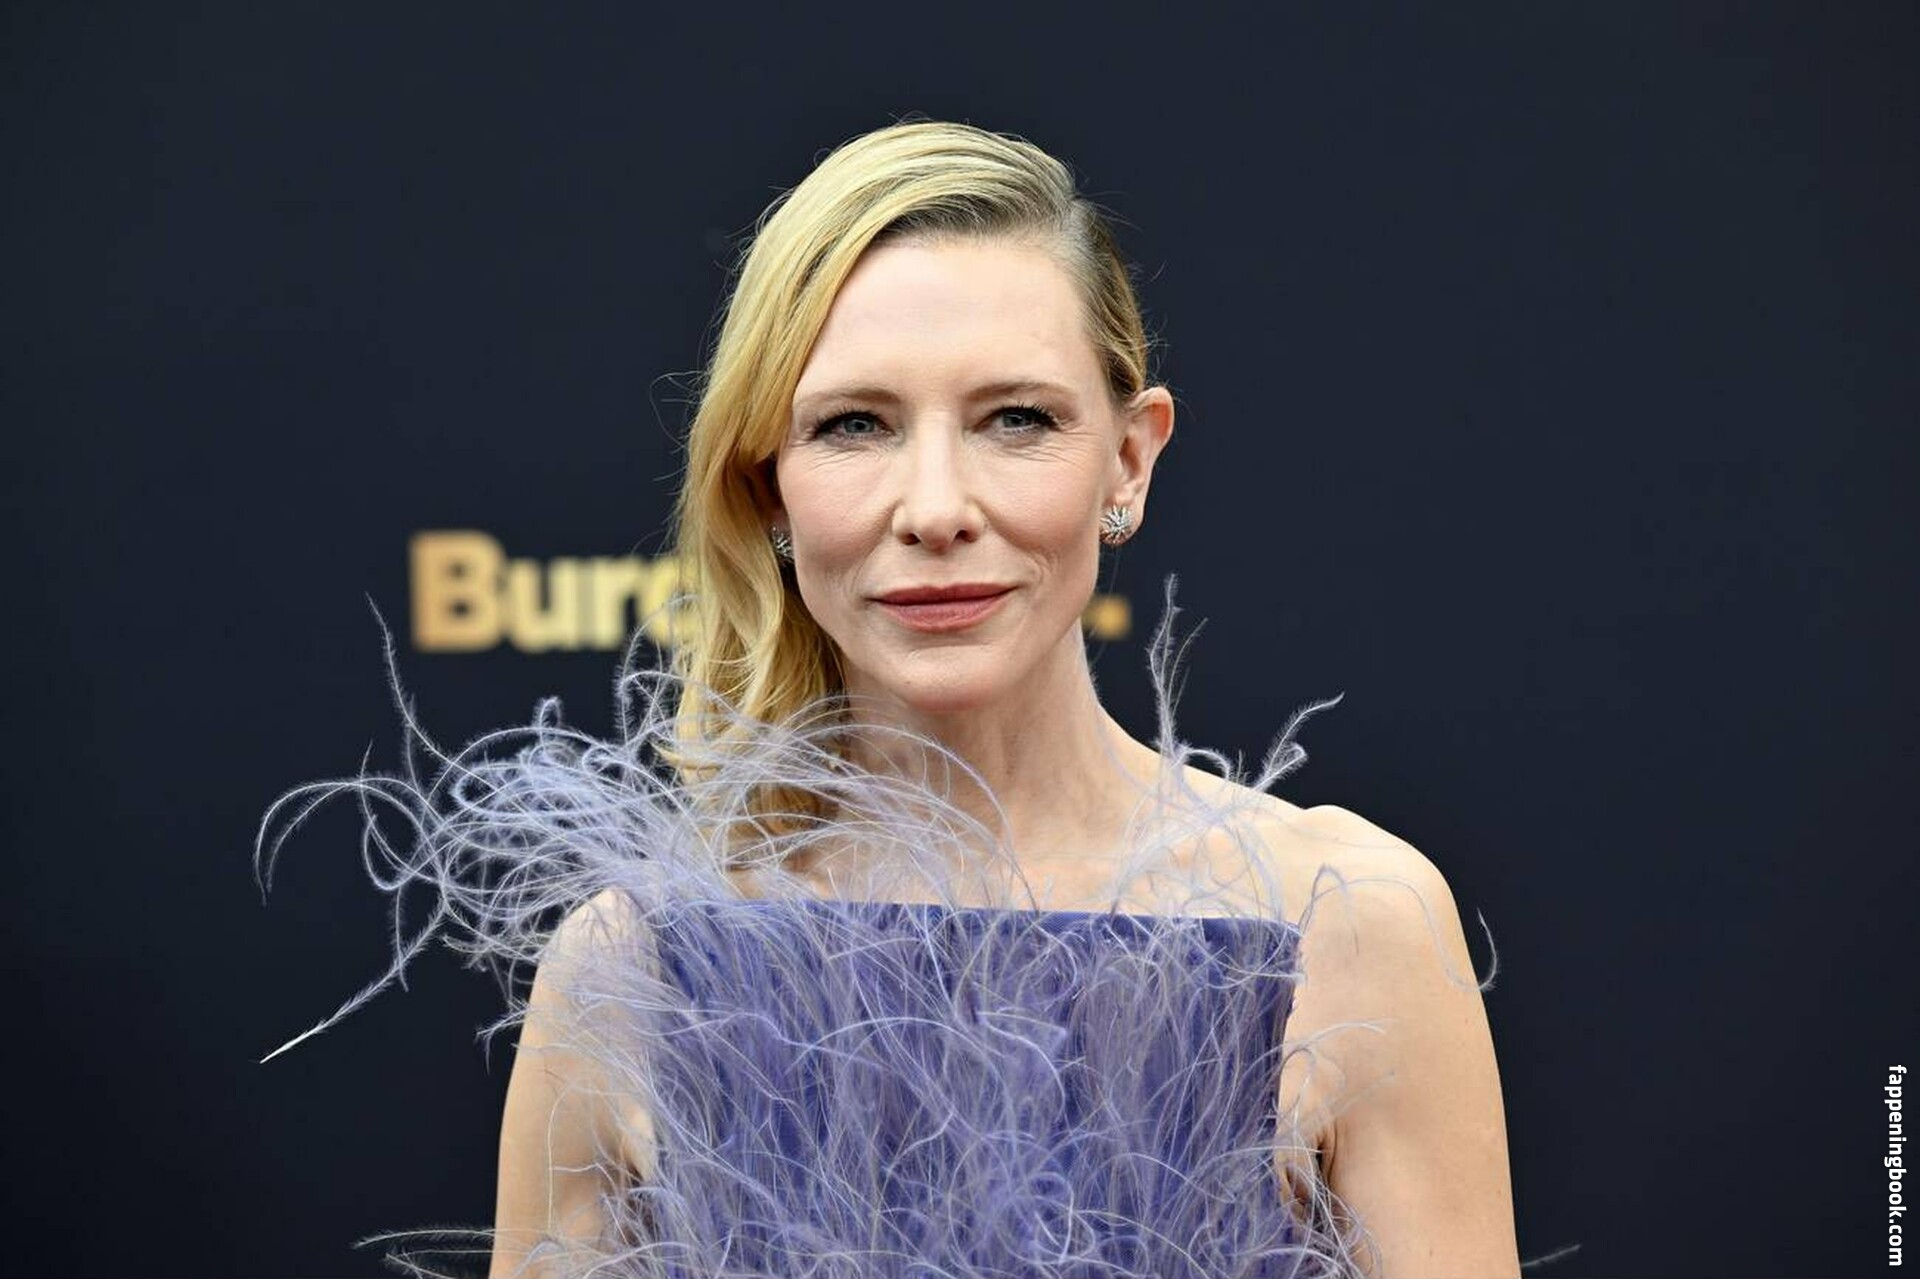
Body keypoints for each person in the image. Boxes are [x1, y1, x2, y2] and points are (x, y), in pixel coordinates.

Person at [260, 119, 1519, 1279]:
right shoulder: (635, 963)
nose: (935, 508)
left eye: (1015, 419)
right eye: (855, 425)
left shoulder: (1347, 921)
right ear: (768, 483)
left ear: (1128, 461)